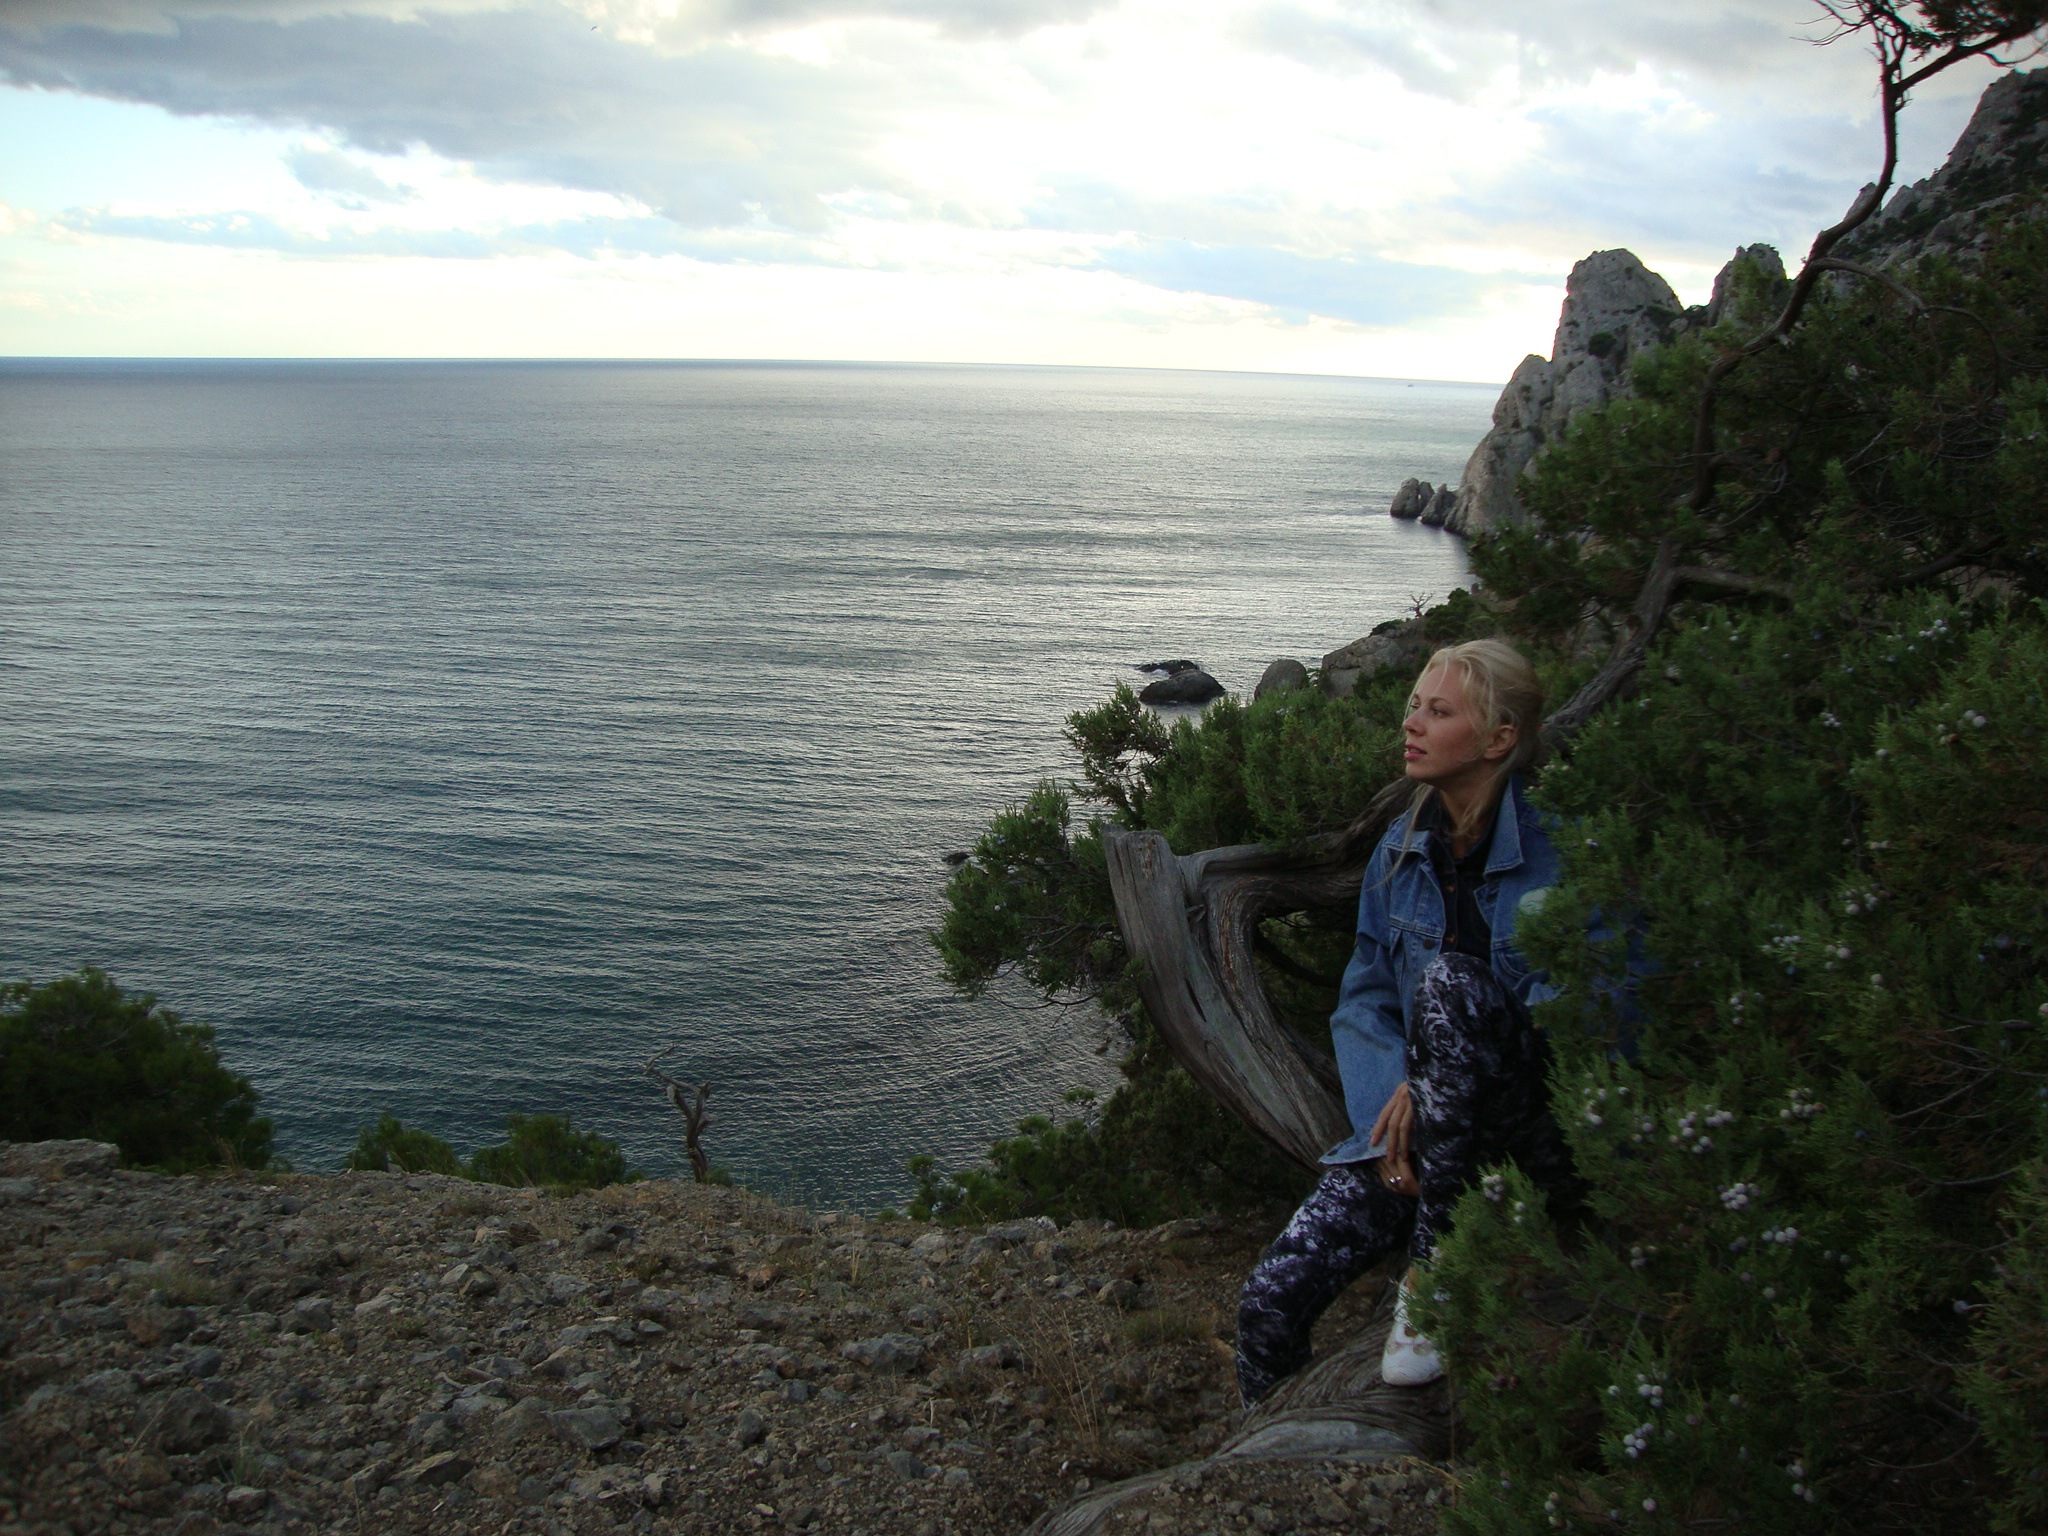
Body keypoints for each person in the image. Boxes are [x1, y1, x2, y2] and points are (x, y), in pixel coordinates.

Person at [1234, 637, 1578, 1402]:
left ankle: (1435, 1274)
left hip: (1535, 1144)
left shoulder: (1565, 851)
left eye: (1439, 711)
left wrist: (1442, 1087)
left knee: (1452, 986)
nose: (1411, 723)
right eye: (1413, 705)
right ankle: (1276, 1440)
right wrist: (1391, 1111)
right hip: (1419, 1141)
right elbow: (1365, 1001)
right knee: (1268, 1303)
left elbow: (1586, 1020)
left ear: (1499, 739)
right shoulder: (1401, 850)